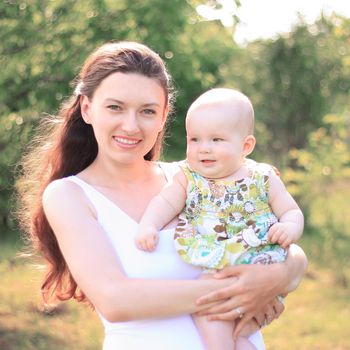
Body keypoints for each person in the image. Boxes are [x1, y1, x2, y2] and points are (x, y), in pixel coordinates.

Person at [16, 41, 307, 350]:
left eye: (147, 111)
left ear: (164, 115)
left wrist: (279, 275)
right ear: (87, 109)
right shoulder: (70, 195)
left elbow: (287, 246)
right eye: (115, 107)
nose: (131, 125)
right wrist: (241, 289)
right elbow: (116, 299)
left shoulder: (193, 178)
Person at [135, 88, 304, 349]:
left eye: (216, 140)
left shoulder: (263, 177)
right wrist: (148, 225)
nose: (204, 149)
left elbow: (291, 210)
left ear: (246, 146)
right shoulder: (188, 176)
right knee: (231, 327)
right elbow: (164, 202)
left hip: (260, 262)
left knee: (208, 306)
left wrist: (290, 227)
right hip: (216, 262)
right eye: (195, 139)